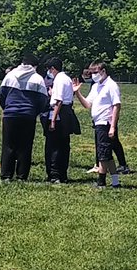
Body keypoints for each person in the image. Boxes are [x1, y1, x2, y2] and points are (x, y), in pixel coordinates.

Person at [0, 54, 49, 182]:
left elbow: (1, 94)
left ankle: (6, 175)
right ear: (35, 66)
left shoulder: (9, 76)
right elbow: (43, 99)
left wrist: (7, 107)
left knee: (8, 145)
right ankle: (21, 175)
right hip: (28, 115)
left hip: (10, 114)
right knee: (25, 146)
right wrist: (35, 111)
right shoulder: (37, 78)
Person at [73, 60, 123, 188]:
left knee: (102, 154)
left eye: (95, 72)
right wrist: (77, 92)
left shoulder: (111, 85)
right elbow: (87, 104)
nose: (93, 75)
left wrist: (112, 126)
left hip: (105, 123)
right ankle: (115, 182)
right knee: (107, 153)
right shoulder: (96, 86)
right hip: (98, 123)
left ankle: (101, 181)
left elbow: (116, 106)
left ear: (103, 71)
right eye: (91, 73)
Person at [40, 57, 79, 183]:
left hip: (59, 114)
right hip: (67, 113)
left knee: (53, 146)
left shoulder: (59, 80)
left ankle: (54, 174)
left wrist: (53, 120)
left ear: (52, 69)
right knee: (64, 145)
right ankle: (63, 174)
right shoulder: (66, 78)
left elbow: (59, 101)